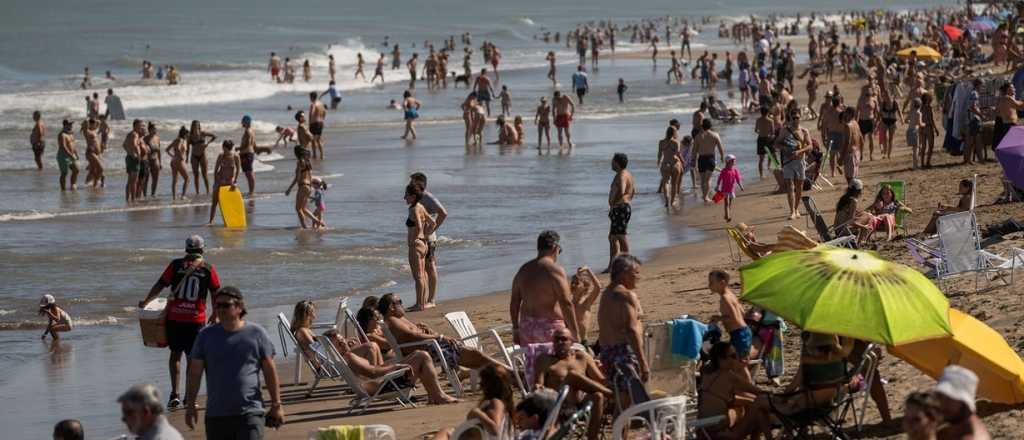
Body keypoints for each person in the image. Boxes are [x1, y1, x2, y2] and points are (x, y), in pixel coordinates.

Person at [290, 301, 458, 405]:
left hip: (381, 381)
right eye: (340, 341)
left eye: (342, 340)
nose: (344, 341)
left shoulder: (347, 357)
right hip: (379, 386)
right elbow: (373, 372)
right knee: (422, 355)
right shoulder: (348, 357)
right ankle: (437, 396)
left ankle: (435, 396)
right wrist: (397, 367)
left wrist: (394, 366)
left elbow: (373, 370)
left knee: (420, 354)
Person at [185, 287, 284, 438]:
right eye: (217, 305)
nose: (220, 309)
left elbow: (270, 370)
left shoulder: (256, 333)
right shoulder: (205, 336)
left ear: (239, 307)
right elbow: (194, 373)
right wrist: (191, 405)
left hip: (250, 412)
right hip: (216, 415)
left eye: (226, 305)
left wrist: (276, 405)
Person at [138, 235, 221, 409]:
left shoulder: (175, 265)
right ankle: (189, 398)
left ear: (186, 249)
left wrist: (146, 301)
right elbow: (216, 292)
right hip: (195, 320)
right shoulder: (207, 268)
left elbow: (160, 285)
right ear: (202, 250)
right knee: (193, 359)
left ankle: (174, 395)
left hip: (175, 318)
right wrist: (216, 313)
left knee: (175, 355)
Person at [378, 293, 501, 371]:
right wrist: (440, 337)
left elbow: (413, 333)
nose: (402, 305)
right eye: (399, 302)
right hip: (433, 350)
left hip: (433, 347)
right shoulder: (393, 320)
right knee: (475, 355)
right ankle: (507, 372)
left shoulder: (398, 319)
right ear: (391, 307)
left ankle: (505, 373)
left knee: (476, 358)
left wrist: (425, 329)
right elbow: (413, 335)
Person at [510, 230, 581, 348]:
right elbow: (566, 303)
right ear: (555, 247)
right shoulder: (554, 270)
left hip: (526, 329)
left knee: (535, 364)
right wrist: (575, 332)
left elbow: (514, 303)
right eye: (560, 250)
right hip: (550, 330)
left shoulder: (523, 270)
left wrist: (516, 329)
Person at [596, 254, 648, 409]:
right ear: (624, 273)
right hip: (623, 353)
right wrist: (643, 362)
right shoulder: (625, 295)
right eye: (636, 273)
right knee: (628, 402)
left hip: (607, 352)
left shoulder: (607, 293)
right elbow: (631, 330)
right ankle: (622, 431)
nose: (638, 277)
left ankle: (620, 431)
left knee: (621, 401)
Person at [698, 342, 770, 438]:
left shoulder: (706, 370)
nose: (737, 358)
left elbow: (727, 397)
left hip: (702, 427)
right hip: (717, 428)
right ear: (721, 359)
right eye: (733, 356)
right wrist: (743, 367)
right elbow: (756, 390)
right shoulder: (729, 377)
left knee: (747, 404)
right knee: (756, 408)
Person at [432, 364, 515, 440]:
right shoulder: (501, 404)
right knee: (449, 430)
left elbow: (495, 429)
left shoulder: (496, 403)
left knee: (446, 431)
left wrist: (477, 413)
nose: (480, 384)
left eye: (482, 380)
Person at [409, 173, 446, 307]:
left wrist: (428, 232)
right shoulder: (417, 199)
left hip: (428, 239)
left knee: (430, 267)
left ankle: (431, 300)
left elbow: (443, 213)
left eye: (412, 182)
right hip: (422, 239)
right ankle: (422, 301)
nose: (410, 184)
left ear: (420, 183)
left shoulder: (427, 197)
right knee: (422, 270)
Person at [934, 366, 991, 440]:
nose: (941, 404)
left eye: (948, 399)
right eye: (940, 396)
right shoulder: (962, 423)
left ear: (964, 400)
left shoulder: (969, 437)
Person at [708, 270, 753, 363]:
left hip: (739, 334)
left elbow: (734, 318)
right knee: (737, 361)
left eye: (712, 282)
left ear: (722, 283)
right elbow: (742, 313)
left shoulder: (725, 298)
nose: (709, 285)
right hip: (743, 332)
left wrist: (719, 318)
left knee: (739, 364)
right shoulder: (731, 295)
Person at [776, 110, 812, 219]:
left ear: (800, 118)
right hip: (788, 161)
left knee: (799, 186)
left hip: (800, 161)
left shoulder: (804, 131)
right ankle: (792, 211)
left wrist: (799, 151)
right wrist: (785, 148)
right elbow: (776, 143)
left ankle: (796, 209)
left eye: (797, 117)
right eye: (793, 118)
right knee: (790, 185)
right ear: (790, 118)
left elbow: (810, 146)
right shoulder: (785, 130)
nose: (795, 119)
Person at [117, 384, 184, 440]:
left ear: (146, 412)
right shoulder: (167, 431)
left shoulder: (159, 437)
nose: (123, 419)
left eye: (129, 413)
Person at [284, 136, 322, 229]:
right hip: (309, 187)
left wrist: (289, 189)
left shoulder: (299, 162)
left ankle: (304, 227)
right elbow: (310, 176)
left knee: (298, 209)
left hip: (303, 186)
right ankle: (317, 221)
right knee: (303, 208)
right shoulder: (308, 162)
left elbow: (297, 178)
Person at [607, 153, 636, 273]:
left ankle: (627, 265)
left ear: (617, 163)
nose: (611, 163)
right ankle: (613, 265)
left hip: (620, 207)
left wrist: (614, 203)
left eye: (612, 161)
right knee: (613, 237)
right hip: (622, 207)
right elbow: (633, 191)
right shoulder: (627, 174)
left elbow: (622, 190)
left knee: (620, 236)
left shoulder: (622, 175)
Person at [208, 140, 240, 225]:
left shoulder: (236, 156)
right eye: (224, 148)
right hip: (220, 180)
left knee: (230, 202)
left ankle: (231, 219)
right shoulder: (221, 156)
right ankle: (211, 221)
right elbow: (215, 170)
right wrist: (216, 182)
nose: (224, 150)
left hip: (230, 181)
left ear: (228, 148)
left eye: (225, 148)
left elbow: (238, 170)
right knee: (215, 202)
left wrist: (234, 180)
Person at [694, 119, 725, 202]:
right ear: (710, 126)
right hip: (710, 158)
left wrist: (693, 160)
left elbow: (694, 150)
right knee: (707, 180)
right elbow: (720, 148)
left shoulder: (698, 136)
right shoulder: (715, 135)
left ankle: (704, 196)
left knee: (702, 179)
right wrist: (722, 156)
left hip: (701, 159)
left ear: (702, 126)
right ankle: (706, 197)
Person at [657, 126, 685, 207]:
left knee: (665, 182)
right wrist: (683, 162)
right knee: (674, 184)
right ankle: (672, 202)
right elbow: (678, 154)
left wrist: (658, 162)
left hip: (665, 163)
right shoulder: (676, 142)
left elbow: (659, 154)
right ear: (675, 133)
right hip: (675, 164)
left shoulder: (661, 142)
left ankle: (667, 199)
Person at [188, 120, 216, 195]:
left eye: (197, 125)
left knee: (204, 174)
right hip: (194, 156)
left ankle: (208, 191)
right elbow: (187, 148)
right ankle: (197, 192)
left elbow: (214, 136)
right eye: (194, 125)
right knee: (196, 175)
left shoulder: (203, 133)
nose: (196, 126)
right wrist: (186, 158)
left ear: (199, 126)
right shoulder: (190, 135)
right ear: (192, 126)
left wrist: (207, 143)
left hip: (203, 155)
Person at [716, 154, 744, 222]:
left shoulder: (735, 170)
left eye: (734, 160)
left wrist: (741, 186)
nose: (734, 162)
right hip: (724, 190)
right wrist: (717, 186)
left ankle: (726, 215)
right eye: (733, 160)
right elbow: (719, 179)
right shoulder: (724, 171)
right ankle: (728, 217)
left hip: (731, 190)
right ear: (728, 162)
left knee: (729, 204)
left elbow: (738, 179)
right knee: (726, 203)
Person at [165, 127, 190, 200]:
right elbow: (178, 148)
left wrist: (173, 156)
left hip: (173, 161)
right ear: (185, 134)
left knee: (175, 180)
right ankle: (183, 196)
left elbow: (167, 149)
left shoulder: (177, 139)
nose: (188, 136)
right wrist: (181, 156)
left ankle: (174, 197)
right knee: (187, 178)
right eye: (188, 134)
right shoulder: (181, 140)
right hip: (179, 161)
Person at [56, 119, 79, 192]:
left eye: (71, 124)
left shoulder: (70, 134)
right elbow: (63, 146)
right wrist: (70, 155)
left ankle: (73, 185)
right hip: (63, 156)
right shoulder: (62, 134)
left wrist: (76, 153)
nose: (71, 126)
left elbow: (73, 145)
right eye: (70, 124)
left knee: (76, 170)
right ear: (65, 125)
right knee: (64, 173)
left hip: (69, 156)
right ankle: (63, 189)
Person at [141, 122, 162, 197]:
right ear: (149, 130)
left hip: (155, 160)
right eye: (154, 129)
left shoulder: (157, 138)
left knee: (155, 179)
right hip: (147, 161)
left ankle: (153, 194)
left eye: (156, 129)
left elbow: (159, 151)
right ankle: (145, 195)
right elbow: (142, 150)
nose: (155, 130)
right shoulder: (145, 139)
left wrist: (160, 162)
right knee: (145, 180)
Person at [238, 115, 257, 197]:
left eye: (243, 121)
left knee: (249, 173)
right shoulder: (251, 130)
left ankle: (252, 191)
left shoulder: (247, 131)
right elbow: (254, 144)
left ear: (246, 122)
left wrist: (237, 148)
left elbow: (247, 144)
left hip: (246, 153)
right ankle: (251, 191)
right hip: (249, 153)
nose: (241, 122)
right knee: (249, 173)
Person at [754, 107, 775, 179]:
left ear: (761, 112)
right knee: (771, 155)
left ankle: (761, 175)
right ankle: (769, 166)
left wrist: (761, 132)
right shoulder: (770, 121)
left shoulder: (758, 120)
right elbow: (772, 132)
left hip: (760, 139)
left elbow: (756, 130)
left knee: (761, 159)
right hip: (768, 139)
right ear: (768, 112)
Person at [308, 91, 327, 159]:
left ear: (312, 97)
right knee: (318, 140)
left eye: (310, 97)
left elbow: (312, 113)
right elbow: (325, 112)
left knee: (313, 140)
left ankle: (314, 155)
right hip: (320, 123)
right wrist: (322, 120)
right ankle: (322, 155)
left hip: (314, 123)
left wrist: (309, 123)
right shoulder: (321, 104)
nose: (309, 99)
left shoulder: (313, 104)